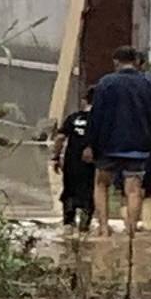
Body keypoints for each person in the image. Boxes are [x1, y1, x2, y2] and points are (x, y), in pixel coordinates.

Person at [89, 48, 151, 238]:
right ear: (136, 61)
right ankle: (131, 231)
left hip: (108, 145)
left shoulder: (106, 83)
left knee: (101, 184)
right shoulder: (149, 84)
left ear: (116, 62)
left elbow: (96, 116)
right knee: (134, 189)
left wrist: (92, 144)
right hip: (138, 145)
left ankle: (103, 227)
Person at [53, 98, 97, 230]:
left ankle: (68, 223)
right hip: (92, 163)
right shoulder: (101, 120)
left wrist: (56, 157)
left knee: (69, 190)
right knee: (89, 192)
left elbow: (60, 138)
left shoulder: (73, 117)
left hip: (71, 162)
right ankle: (85, 225)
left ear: (84, 101)